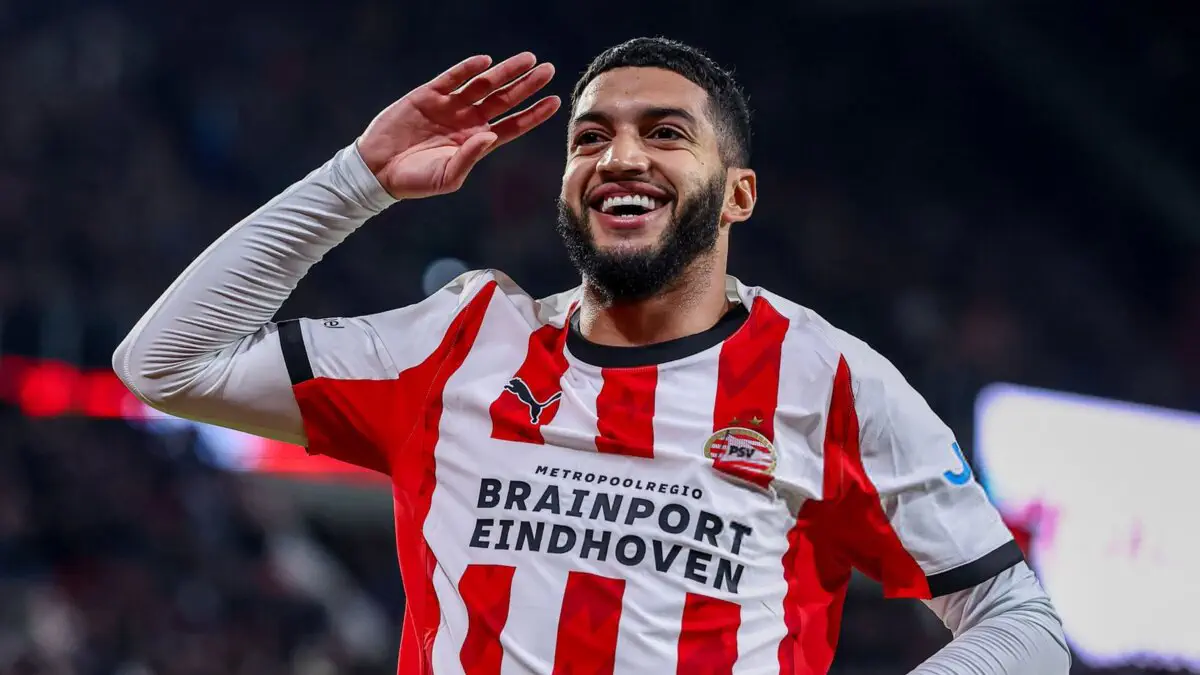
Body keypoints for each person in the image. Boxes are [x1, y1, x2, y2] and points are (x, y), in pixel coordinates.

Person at [113, 38, 1069, 674]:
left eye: (666, 134)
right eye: (591, 137)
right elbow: (166, 361)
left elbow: (1020, 618)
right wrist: (358, 179)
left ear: (737, 196)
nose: (621, 157)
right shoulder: (460, 342)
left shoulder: (829, 378)